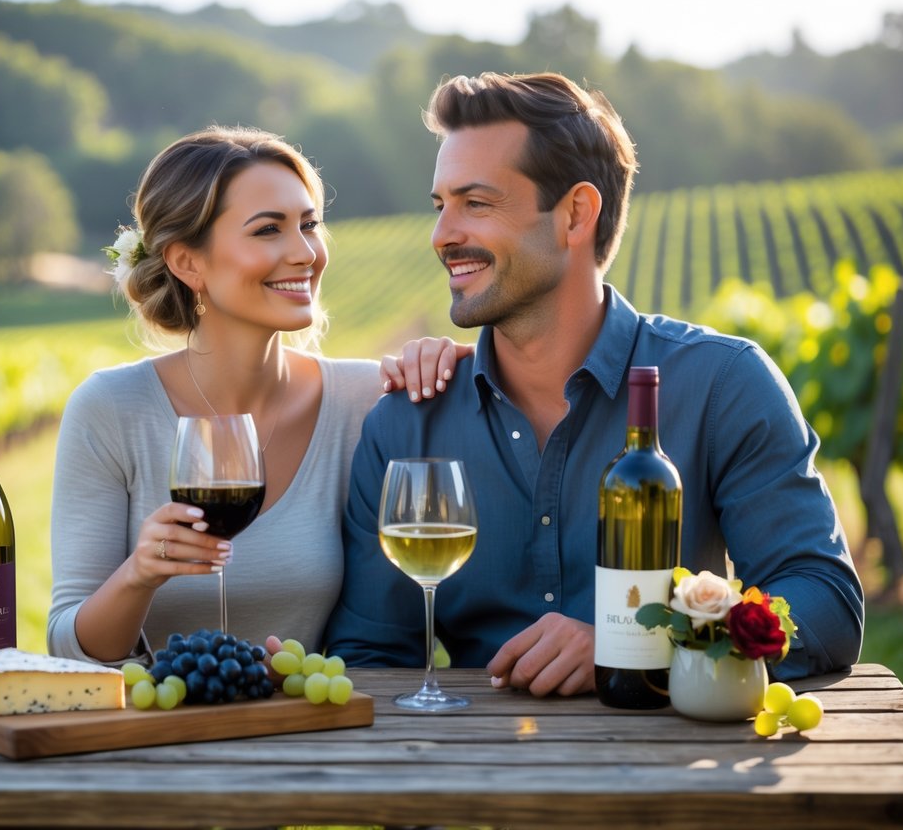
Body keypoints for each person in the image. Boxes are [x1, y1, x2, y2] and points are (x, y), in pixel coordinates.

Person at [325, 72, 864, 694]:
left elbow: (821, 601)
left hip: (673, 776)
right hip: (474, 775)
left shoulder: (722, 385)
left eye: (475, 202)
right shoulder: (407, 422)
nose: (443, 234)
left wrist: (641, 643)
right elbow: (371, 656)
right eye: (439, 204)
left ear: (575, 214)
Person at [48, 125, 457, 664]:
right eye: (268, 230)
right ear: (187, 262)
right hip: (160, 737)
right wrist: (139, 575)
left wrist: (461, 370)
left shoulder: (365, 401)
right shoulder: (109, 410)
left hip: (309, 732)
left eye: (309, 225)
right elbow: (68, 647)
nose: (305, 253)